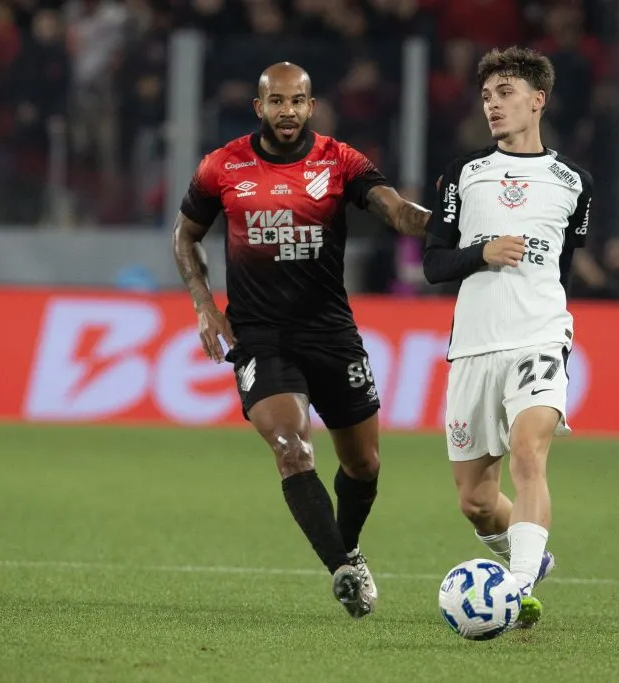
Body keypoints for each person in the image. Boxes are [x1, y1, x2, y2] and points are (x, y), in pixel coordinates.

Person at [172, 62, 430, 619]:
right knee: (292, 449)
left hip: (331, 332)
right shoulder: (222, 166)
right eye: (276, 102)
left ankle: (349, 546)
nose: (286, 112)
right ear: (258, 108)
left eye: (297, 102)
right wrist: (203, 304)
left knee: (363, 467)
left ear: (312, 107)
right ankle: (342, 570)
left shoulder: (341, 161)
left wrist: (451, 222)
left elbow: (397, 212)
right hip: (261, 337)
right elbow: (185, 235)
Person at [422, 46, 593, 629]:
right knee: (474, 499)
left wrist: (546, 316)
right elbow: (434, 264)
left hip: (539, 337)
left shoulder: (574, 183)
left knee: (529, 453)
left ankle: (515, 590)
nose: (493, 105)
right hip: (473, 346)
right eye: (488, 95)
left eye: (506, 93)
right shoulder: (464, 175)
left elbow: (561, 265)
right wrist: (483, 253)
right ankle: (529, 559)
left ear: (537, 100)